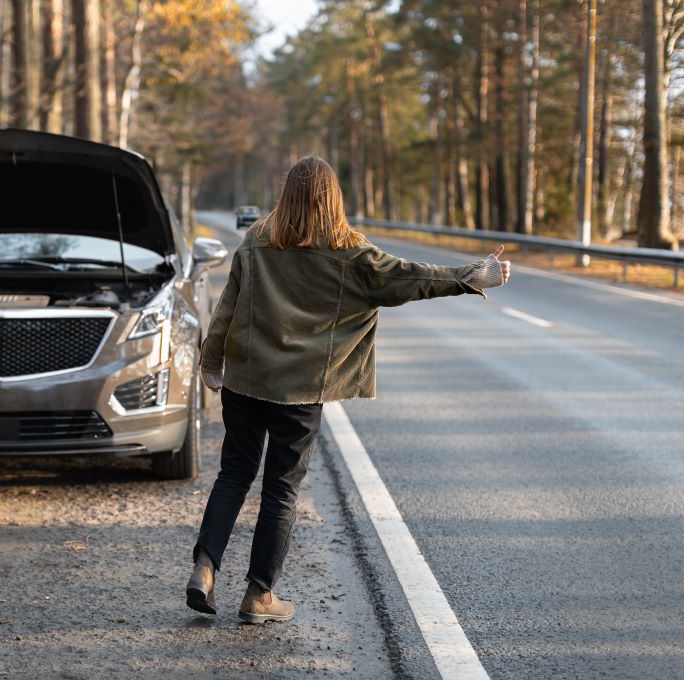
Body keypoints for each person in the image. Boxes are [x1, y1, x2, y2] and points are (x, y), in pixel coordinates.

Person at [186, 156, 510, 624]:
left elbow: (228, 304)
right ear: (333, 198)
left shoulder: (257, 239)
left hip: (246, 381)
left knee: (234, 475)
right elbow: (409, 278)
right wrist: (469, 276)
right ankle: (258, 596)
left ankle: (205, 568)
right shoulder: (350, 251)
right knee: (280, 489)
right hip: (299, 392)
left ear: (286, 195)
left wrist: (211, 361)